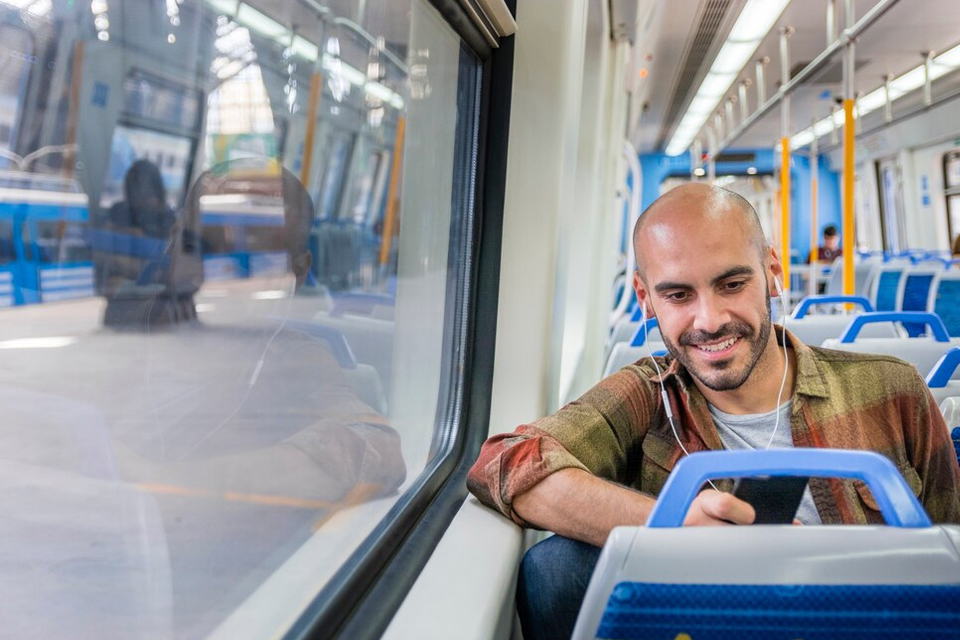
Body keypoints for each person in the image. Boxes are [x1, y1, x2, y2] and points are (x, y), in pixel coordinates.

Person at [466, 183, 960, 640]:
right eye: (678, 295)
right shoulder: (647, 396)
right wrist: (675, 525)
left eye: (731, 284)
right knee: (555, 567)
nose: (710, 321)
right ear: (646, 299)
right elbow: (503, 462)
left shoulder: (891, 389)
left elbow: (951, 552)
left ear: (771, 272)